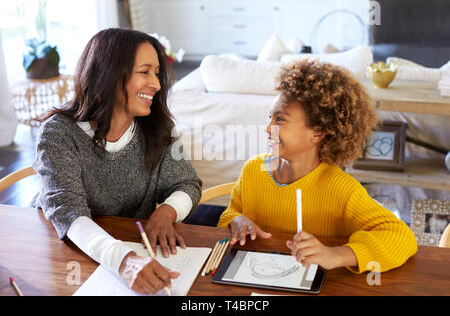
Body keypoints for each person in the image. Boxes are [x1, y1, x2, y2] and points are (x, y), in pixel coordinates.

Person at [31, 28, 202, 294]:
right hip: (67, 248)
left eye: (156, 73)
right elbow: (68, 212)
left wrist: (166, 211)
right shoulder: (59, 132)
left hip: (131, 248)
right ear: (109, 74)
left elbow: (188, 183)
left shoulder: (158, 127)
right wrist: (123, 260)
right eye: (145, 72)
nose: (156, 84)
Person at [217, 60, 417, 273]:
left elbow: (401, 237)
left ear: (318, 133)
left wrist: (336, 255)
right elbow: (232, 211)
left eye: (281, 120)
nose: (268, 128)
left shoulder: (341, 189)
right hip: (255, 276)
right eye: (270, 118)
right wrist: (236, 219)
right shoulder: (253, 171)